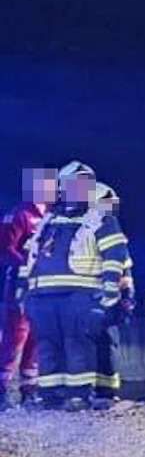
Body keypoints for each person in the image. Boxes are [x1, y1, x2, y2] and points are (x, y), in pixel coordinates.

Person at [22, 162, 135, 409]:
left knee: (77, 344)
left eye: (85, 183)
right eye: (74, 183)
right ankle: (50, 394)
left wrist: (111, 294)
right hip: (43, 296)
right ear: (62, 187)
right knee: (48, 345)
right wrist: (24, 291)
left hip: (81, 295)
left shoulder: (100, 219)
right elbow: (32, 256)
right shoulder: (49, 220)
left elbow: (115, 258)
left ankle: (80, 395)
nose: (79, 188)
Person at [3, 167, 58, 406]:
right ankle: (2, 389)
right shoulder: (20, 214)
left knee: (37, 335)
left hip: (44, 287)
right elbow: (5, 249)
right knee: (16, 336)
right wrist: (28, 264)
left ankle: (29, 390)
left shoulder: (54, 216)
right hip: (20, 286)